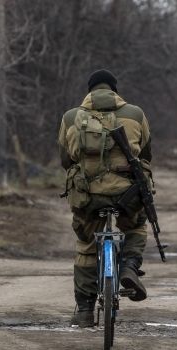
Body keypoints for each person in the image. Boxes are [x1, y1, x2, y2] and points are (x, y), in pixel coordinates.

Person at [58, 69, 153, 327]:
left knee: (87, 245)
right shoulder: (135, 114)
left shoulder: (70, 117)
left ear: (89, 91)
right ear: (115, 89)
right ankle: (129, 268)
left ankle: (85, 310)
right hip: (127, 195)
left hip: (89, 198)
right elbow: (146, 154)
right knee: (134, 227)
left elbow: (65, 159)